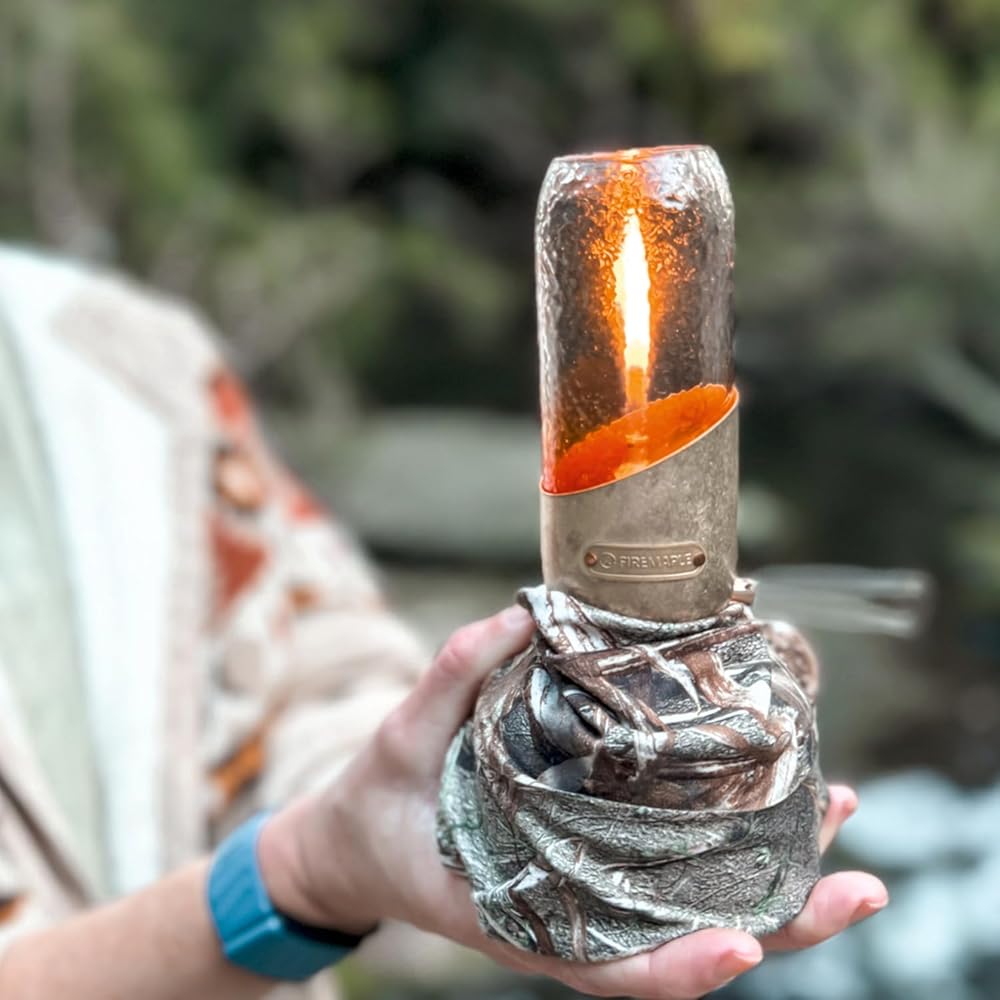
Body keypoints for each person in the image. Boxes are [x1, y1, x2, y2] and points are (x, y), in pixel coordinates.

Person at [0, 246, 886, 999]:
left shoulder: (118, 356)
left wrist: (485, 783)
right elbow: (319, 851)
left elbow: (313, 664)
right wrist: (302, 875)